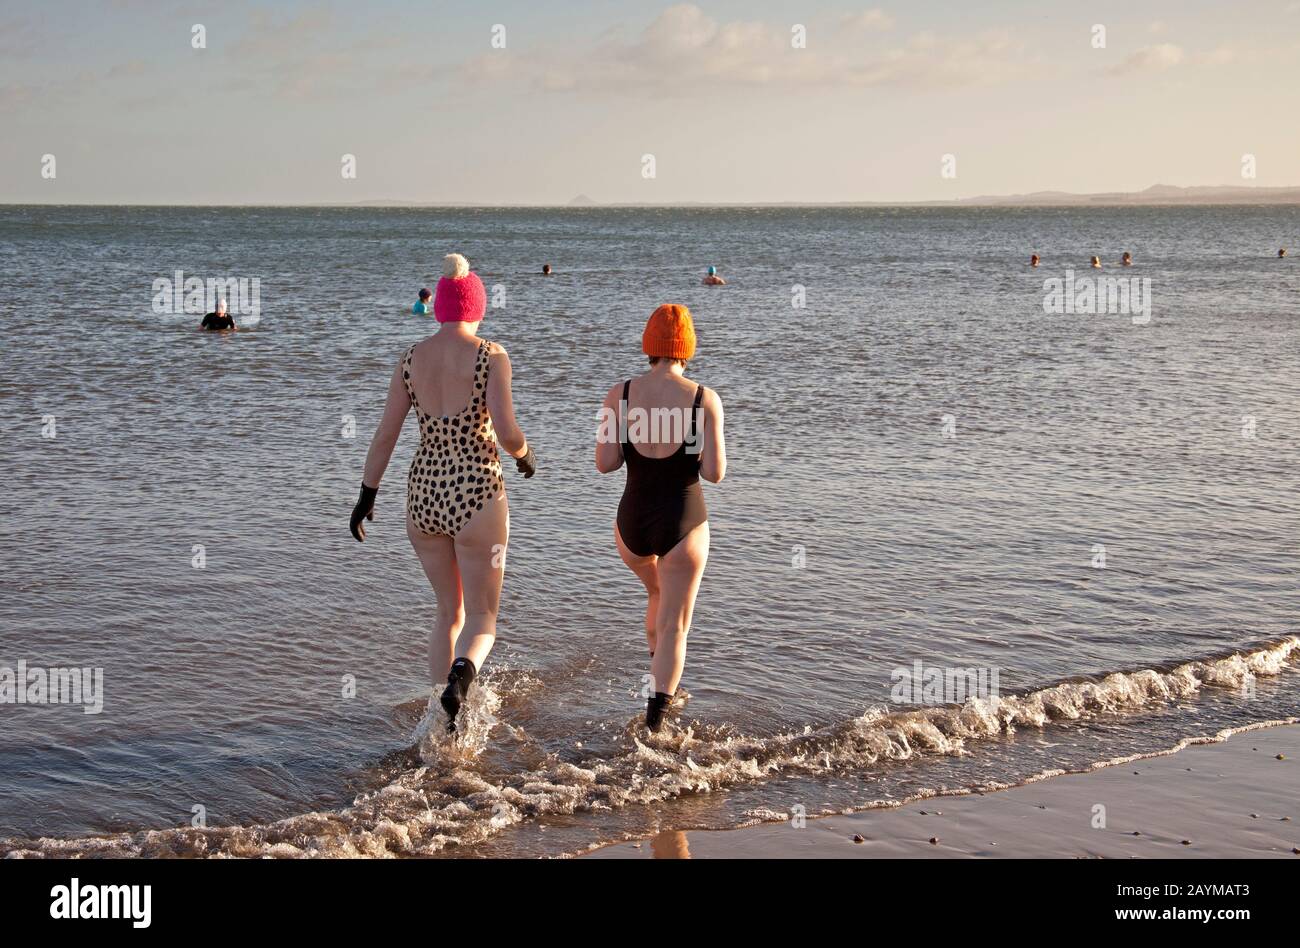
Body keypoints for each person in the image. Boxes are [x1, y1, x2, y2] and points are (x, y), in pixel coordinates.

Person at [351, 253, 536, 733]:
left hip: (423, 496)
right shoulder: (491, 355)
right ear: (477, 307)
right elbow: (507, 429)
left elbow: (386, 433)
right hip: (476, 492)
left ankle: (442, 722)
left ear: (439, 309)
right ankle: (461, 677)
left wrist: (367, 495)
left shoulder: (411, 358)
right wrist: (523, 456)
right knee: (482, 617)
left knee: (446, 611)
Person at [596, 304, 726, 732]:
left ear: (649, 345)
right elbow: (714, 473)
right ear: (687, 348)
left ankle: (659, 673)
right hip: (682, 521)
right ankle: (657, 718)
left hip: (630, 523)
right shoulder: (705, 398)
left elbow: (605, 463)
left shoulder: (619, 394)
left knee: (657, 595)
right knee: (675, 623)